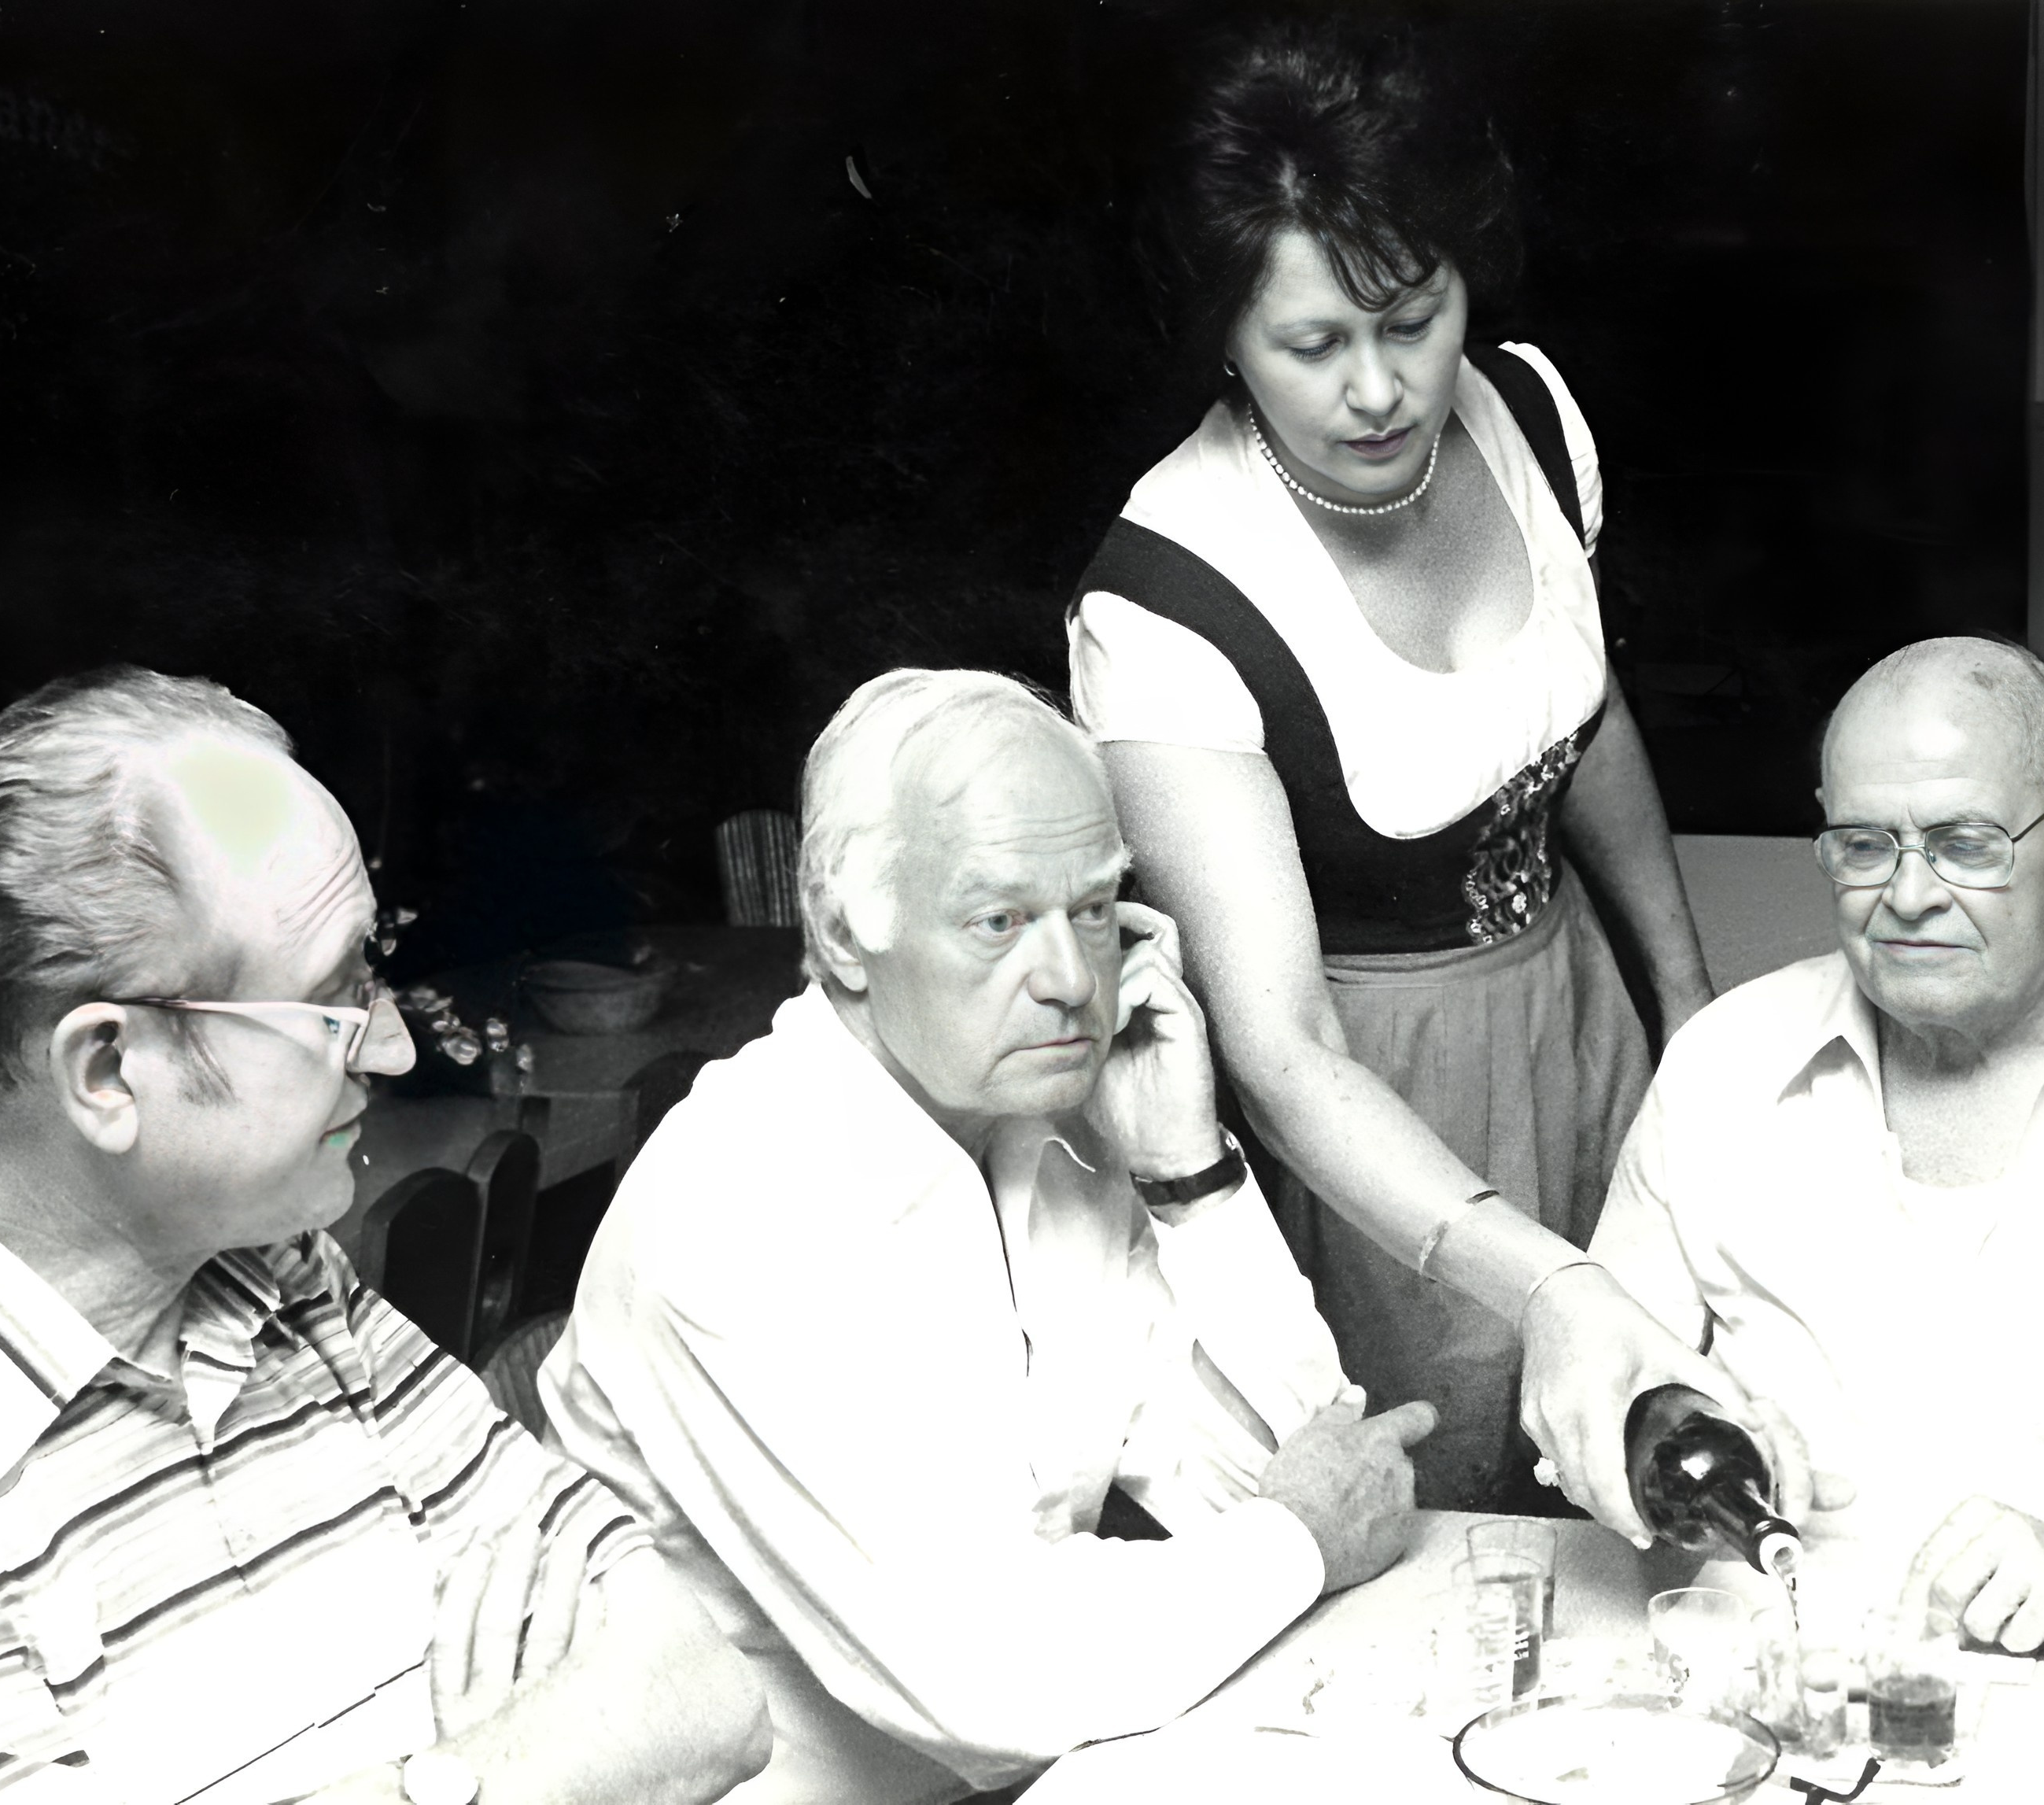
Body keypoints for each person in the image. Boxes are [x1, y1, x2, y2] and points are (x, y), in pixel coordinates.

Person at [0, 669, 770, 1805]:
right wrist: (485, 1759)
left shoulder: (279, 1272)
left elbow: (704, 1692)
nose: (395, 1050)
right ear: (110, 1069)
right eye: (331, 1003)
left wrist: (434, 1775)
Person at [540, 669, 1439, 1805]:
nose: (1073, 982)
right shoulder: (734, 1202)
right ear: (841, 929)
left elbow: (1290, 1482)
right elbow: (991, 1680)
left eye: (1097, 911)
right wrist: (1295, 1539)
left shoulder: (1053, 1126)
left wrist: (1188, 1172)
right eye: (1000, 920)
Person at [1067, 18, 1722, 1518]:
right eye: (1312, 346)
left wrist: (1686, 1008)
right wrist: (1539, 1274)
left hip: (1581, 1021)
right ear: (1224, 334)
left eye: (1412, 320)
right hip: (1375, 1118)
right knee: (1457, 1520)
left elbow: (1587, 713)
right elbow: (1284, 1047)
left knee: (1646, 1455)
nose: (1379, 389)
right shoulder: (1168, 596)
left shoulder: (1535, 419)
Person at [1591, 637, 2044, 1652]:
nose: (1909, 896)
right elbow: (1604, 1394)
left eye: (1966, 842)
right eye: (1866, 845)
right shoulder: (1723, 1064)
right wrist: (1659, 1424)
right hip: (1771, 1690)